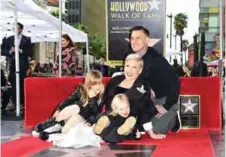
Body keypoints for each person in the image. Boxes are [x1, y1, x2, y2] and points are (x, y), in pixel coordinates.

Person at [125, 26, 181, 136]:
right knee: (136, 127)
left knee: (155, 130)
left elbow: (175, 82)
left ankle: (174, 120)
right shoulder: (129, 57)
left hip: (161, 100)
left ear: (147, 41)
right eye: (132, 38)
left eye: (138, 38)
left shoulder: (156, 60)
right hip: (144, 99)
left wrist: (167, 106)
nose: (134, 42)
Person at [102, 54, 165, 139]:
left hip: (130, 121)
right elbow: (104, 100)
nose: (129, 70)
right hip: (110, 117)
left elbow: (145, 111)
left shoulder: (144, 87)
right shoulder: (114, 81)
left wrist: (152, 134)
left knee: (124, 130)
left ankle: (127, 132)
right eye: (127, 66)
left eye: (134, 67)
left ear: (140, 70)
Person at [32, 70, 104, 140]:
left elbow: (97, 114)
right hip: (71, 113)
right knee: (76, 107)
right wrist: (58, 109)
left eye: (100, 83)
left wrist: (93, 99)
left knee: (66, 129)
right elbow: (68, 100)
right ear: (89, 84)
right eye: (95, 84)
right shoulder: (81, 90)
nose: (98, 86)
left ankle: (49, 134)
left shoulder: (101, 96)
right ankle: (45, 125)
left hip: (83, 120)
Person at [2, 22, 32, 109]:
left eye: (17, 28)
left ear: (21, 29)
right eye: (14, 28)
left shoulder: (27, 39)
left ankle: (23, 103)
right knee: (13, 84)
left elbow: (30, 53)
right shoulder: (8, 39)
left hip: (23, 65)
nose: (15, 30)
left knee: (22, 84)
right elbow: (4, 52)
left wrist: (20, 50)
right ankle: (15, 103)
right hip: (12, 65)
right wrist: (11, 51)